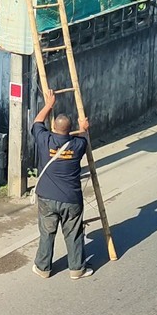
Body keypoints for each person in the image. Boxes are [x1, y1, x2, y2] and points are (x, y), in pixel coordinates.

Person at [28, 87, 94, 279]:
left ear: (54, 127)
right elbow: (84, 137)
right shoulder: (78, 145)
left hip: (47, 197)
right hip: (71, 199)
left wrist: (49, 104)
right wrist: (84, 128)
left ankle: (43, 268)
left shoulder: (44, 139)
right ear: (70, 130)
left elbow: (37, 122)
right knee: (73, 233)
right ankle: (77, 269)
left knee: (46, 233)